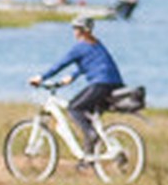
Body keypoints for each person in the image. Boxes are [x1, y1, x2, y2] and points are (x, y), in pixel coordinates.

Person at [30, 14, 124, 160]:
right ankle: (88, 161)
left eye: (76, 28)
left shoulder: (80, 47)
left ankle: (91, 135)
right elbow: (92, 63)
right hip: (114, 84)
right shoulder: (96, 44)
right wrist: (73, 76)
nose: (74, 31)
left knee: (74, 108)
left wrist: (41, 77)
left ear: (82, 30)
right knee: (89, 119)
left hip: (100, 84)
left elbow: (60, 64)